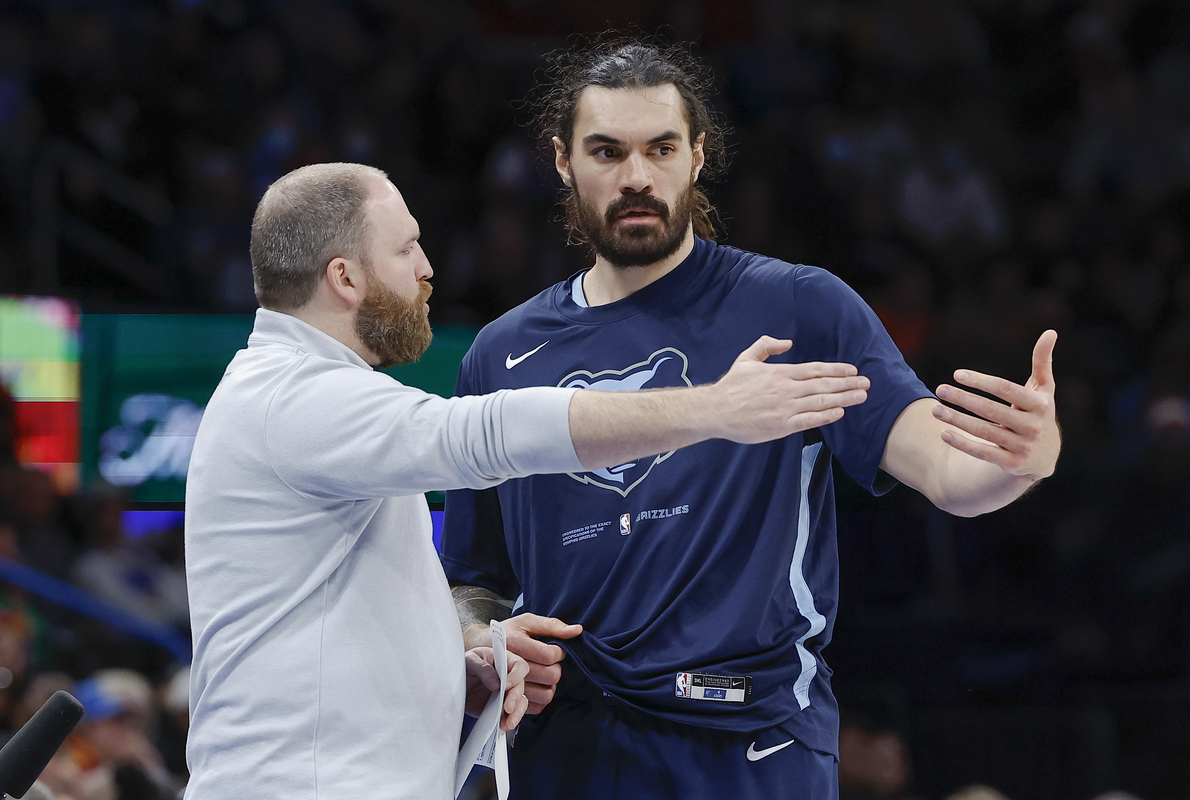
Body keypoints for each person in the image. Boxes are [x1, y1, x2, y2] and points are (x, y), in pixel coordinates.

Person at [440, 41, 1061, 799]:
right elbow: (474, 578)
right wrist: (480, 638)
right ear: (563, 162)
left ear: (698, 156)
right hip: (563, 745)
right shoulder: (500, 354)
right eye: (607, 151)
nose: (637, 176)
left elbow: (946, 472)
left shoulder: (799, 307)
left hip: (750, 743)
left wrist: (1020, 459)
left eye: (660, 148)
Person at [183, 161, 873, 800]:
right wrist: (712, 408)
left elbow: (340, 617)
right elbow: (482, 434)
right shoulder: (295, 398)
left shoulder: (311, 403)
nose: (426, 269)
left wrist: (464, 655)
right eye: (406, 249)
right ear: (345, 277)